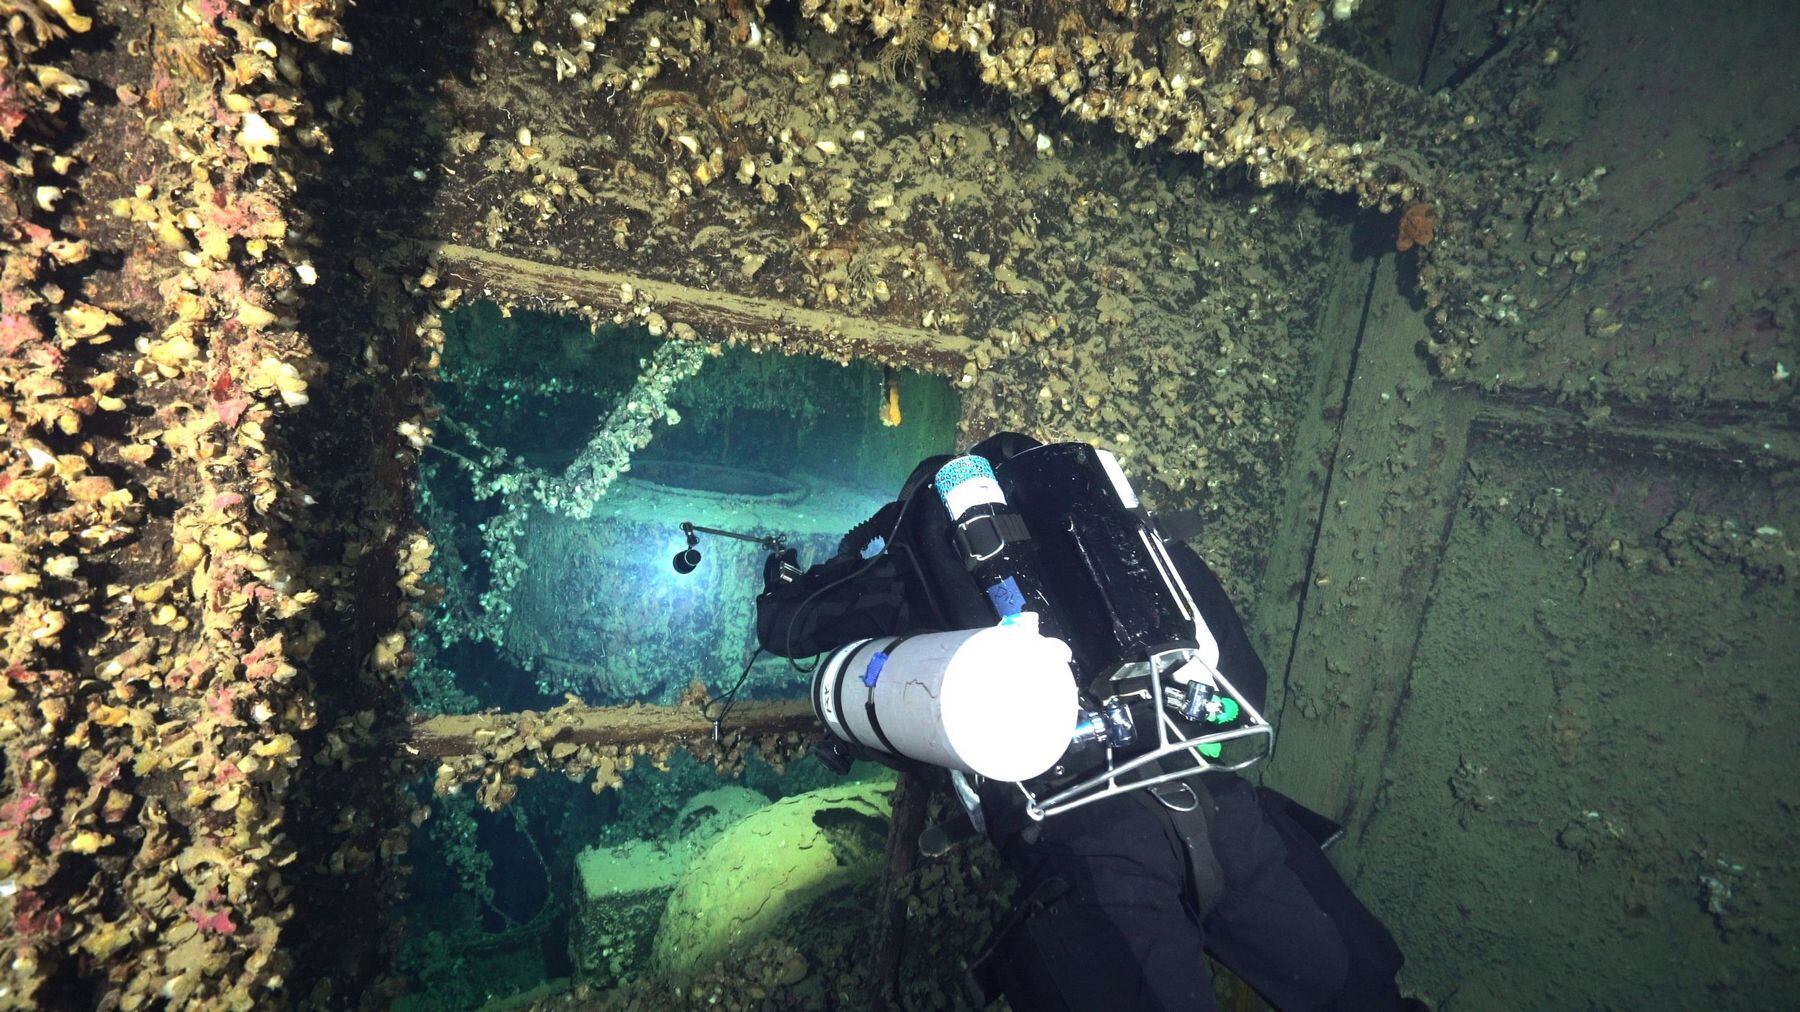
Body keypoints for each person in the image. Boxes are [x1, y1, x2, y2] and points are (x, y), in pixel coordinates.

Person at [755, 433, 1409, 1010]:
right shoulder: (1131, 549)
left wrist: (797, 579)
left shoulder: (921, 564)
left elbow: (788, 627)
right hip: (1225, 808)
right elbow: (1238, 670)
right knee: (1366, 996)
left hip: (1091, 845)